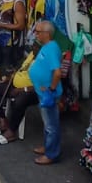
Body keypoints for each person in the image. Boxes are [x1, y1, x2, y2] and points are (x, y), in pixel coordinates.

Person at [28, 19, 65, 165]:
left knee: (51, 125)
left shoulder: (51, 49)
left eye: (38, 32)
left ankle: (52, 154)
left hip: (48, 94)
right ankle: (47, 146)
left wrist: (51, 89)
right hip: (42, 92)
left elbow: (57, 73)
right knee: (47, 123)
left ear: (47, 34)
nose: (35, 34)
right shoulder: (47, 46)